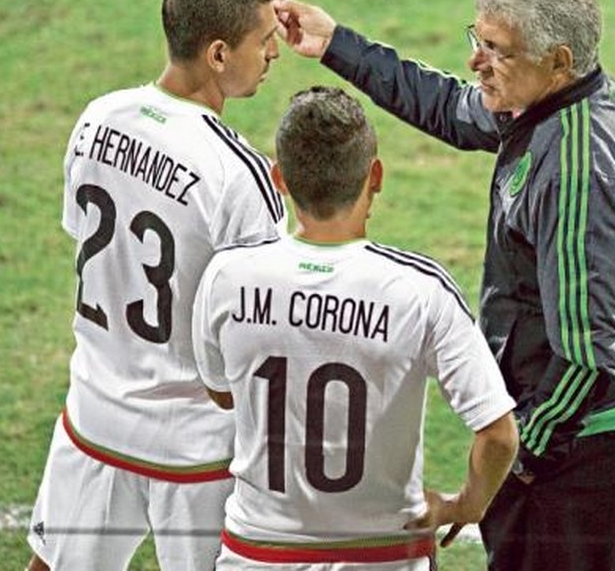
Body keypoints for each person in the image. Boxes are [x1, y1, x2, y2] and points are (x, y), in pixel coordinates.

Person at [274, 0, 615, 570]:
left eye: (496, 49)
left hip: (576, 452)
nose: (475, 61)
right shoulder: (551, 103)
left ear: (559, 60)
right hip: (595, 432)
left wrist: (507, 472)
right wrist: (336, 45)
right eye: (477, 38)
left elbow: (585, 361)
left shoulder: (576, 173)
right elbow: (448, 106)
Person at [26, 0, 287, 571]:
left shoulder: (97, 118)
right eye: (265, 41)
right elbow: (262, 334)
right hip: (194, 450)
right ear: (219, 54)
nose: (274, 54)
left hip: (92, 418)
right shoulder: (238, 173)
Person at [191, 86, 519, 570]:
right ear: (376, 176)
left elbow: (222, 393)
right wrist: (466, 503)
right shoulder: (419, 290)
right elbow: (498, 435)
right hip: (383, 556)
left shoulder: (227, 276)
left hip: (258, 555)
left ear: (279, 179)